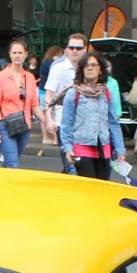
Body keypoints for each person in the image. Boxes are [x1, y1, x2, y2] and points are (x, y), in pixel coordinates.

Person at [59, 52, 126, 179]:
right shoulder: (73, 93)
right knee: (88, 187)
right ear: (81, 70)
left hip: (104, 148)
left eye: (94, 65)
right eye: (86, 65)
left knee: (102, 187)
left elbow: (113, 123)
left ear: (100, 70)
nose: (90, 68)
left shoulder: (106, 93)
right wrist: (68, 148)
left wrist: (120, 149)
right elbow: (66, 124)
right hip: (81, 147)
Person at [0, 38, 40, 168]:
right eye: (14, 53)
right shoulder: (1, 77)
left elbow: (35, 105)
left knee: (10, 161)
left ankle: (1, 185)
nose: (17, 55)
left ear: (26, 54)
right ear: (10, 54)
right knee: (13, 164)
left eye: (20, 52)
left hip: (24, 126)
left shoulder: (29, 77)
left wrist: (47, 121)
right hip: (5, 125)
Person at [45, 34, 88, 172]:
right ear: (67, 49)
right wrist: (49, 119)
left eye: (78, 48)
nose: (75, 51)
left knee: (82, 165)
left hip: (84, 123)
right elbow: (49, 95)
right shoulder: (58, 68)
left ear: (85, 49)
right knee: (71, 165)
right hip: (63, 122)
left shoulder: (89, 69)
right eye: (71, 47)